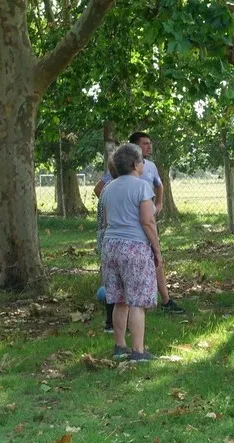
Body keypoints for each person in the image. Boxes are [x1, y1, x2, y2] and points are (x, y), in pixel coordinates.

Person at [94, 132, 185, 315]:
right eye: (145, 144)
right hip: (128, 231)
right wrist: (121, 213)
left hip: (146, 225)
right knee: (127, 272)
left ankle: (165, 300)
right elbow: (100, 189)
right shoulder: (119, 168)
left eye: (150, 143)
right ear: (134, 149)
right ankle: (125, 311)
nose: (149, 147)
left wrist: (157, 205)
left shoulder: (150, 167)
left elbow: (159, 185)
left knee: (156, 260)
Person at [100, 144, 161, 362]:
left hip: (110, 246)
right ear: (136, 164)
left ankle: (119, 347)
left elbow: (107, 221)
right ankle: (138, 351)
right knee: (137, 301)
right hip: (134, 246)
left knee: (119, 299)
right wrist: (157, 249)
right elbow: (147, 220)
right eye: (142, 161)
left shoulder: (108, 188)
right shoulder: (142, 187)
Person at [96, 160, 119, 333]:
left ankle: (111, 323)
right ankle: (114, 323)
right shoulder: (121, 188)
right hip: (119, 239)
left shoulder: (107, 189)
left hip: (106, 238)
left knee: (110, 280)